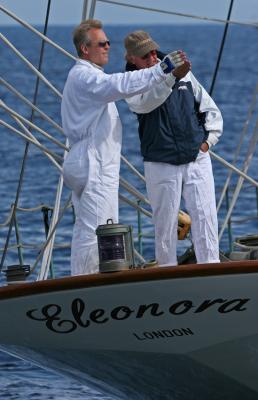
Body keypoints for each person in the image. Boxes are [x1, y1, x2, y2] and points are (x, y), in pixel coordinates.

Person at [61, 19, 188, 275]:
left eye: (108, 43)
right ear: (85, 49)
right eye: (102, 43)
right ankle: (86, 285)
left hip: (87, 159)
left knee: (91, 227)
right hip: (93, 161)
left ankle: (85, 278)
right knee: (98, 228)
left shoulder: (86, 75)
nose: (108, 47)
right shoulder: (85, 76)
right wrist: (161, 69)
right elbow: (120, 85)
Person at [124, 30, 223, 267]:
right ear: (131, 59)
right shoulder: (131, 83)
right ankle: (167, 271)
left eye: (153, 52)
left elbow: (211, 111)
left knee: (206, 218)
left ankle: (211, 268)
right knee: (165, 224)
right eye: (144, 56)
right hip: (160, 162)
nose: (152, 59)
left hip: (195, 158)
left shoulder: (184, 75)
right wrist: (170, 77)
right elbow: (145, 103)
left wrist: (207, 143)